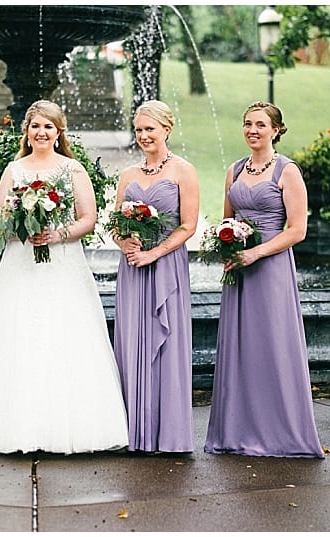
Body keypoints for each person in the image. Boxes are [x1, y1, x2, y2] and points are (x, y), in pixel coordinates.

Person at [0, 100, 128, 455]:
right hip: (22, 263)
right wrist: (22, 228)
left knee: (65, 334)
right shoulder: (14, 170)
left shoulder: (73, 169)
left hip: (63, 263)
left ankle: (71, 427)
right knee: (17, 333)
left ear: (58, 131)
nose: (42, 133)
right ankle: (14, 426)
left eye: (48, 127)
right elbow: (1, 216)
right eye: (35, 126)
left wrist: (56, 234)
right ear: (27, 132)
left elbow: (88, 219)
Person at [204, 101, 324, 458]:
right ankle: (236, 432)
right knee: (241, 348)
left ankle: (280, 433)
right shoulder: (234, 170)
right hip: (238, 272)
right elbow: (227, 220)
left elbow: (298, 230)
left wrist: (256, 252)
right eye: (247, 124)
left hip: (270, 269)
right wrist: (226, 246)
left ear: (276, 130)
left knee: (272, 347)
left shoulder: (287, 172)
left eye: (259, 124)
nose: (252, 130)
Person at [111, 100, 199, 453]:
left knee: (168, 345)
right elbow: (115, 224)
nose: (144, 136)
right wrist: (125, 244)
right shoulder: (128, 175)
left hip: (166, 266)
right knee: (132, 342)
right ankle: (134, 432)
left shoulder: (183, 170)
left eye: (150, 129)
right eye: (139, 130)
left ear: (166, 129)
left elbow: (189, 225)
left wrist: (154, 253)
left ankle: (168, 435)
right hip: (133, 268)